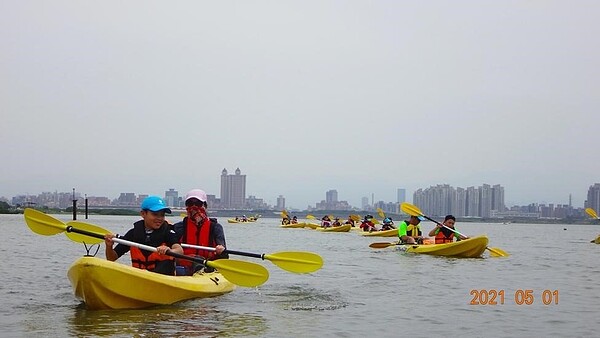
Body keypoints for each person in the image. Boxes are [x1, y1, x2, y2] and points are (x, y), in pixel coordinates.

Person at [104, 195, 183, 275]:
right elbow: (111, 258)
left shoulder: (168, 233)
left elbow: (179, 251)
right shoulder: (133, 233)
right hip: (140, 278)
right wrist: (109, 246)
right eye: (155, 214)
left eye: (162, 215)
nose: (159, 218)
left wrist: (169, 250)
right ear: (143, 214)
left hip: (163, 279)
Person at [173, 189, 228, 276]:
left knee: (199, 262)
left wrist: (221, 250)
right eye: (190, 204)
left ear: (205, 206)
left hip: (208, 268)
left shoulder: (215, 227)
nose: (194, 207)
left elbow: (224, 256)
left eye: (198, 203)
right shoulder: (179, 227)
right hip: (185, 268)